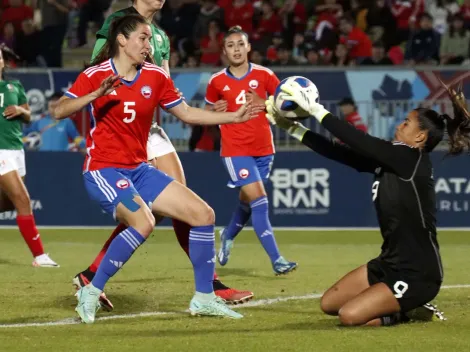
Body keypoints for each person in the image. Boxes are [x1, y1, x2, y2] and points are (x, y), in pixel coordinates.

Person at [53, 14, 262, 323]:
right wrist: (97, 94)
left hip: (138, 168)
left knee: (203, 214)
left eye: (149, 38)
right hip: (104, 169)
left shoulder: (155, 76)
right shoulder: (96, 74)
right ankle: (92, 290)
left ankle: (204, 297)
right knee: (143, 221)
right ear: (122, 40)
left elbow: (188, 113)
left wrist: (234, 117)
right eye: (142, 38)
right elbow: (58, 109)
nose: (148, 45)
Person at [264, 80, 470, 326]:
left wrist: (318, 111)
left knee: (350, 316)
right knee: (329, 304)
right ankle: (399, 304)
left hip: (418, 274)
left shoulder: (411, 158)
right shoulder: (393, 159)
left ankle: (407, 311)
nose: (400, 124)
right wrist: (292, 128)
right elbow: (339, 152)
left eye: (407, 122)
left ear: (420, 136)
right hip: (388, 262)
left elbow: (359, 140)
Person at [206, 26, 297, 275]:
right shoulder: (216, 82)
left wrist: (265, 103)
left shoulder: (265, 75)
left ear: (248, 47)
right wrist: (215, 112)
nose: (236, 49)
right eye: (231, 45)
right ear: (224, 51)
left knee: (247, 203)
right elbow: (209, 113)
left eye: (240, 44)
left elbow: (285, 108)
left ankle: (227, 234)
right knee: (260, 200)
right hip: (235, 150)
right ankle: (277, 259)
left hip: (264, 149)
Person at [0, 48, 59, 267]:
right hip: (0, 150)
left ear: (3, 62)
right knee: (23, 200)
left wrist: (19, 110)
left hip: (16, 149)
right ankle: (39, 256)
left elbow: (28, 116)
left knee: (6, 205)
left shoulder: (15, 86)